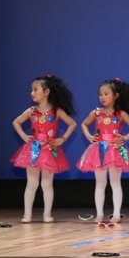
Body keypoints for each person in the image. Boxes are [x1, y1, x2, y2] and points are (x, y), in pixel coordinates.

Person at [11, 75, 77, 223]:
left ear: (46, 92)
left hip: (49, 150)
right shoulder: (31, 111)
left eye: (35, 89)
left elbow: (72, 124)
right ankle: (27, 215)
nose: (32, 93)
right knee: (32, 183)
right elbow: (16, 122)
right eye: (31, 90)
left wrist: (62, 139)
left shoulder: (56, 111)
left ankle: (47, 214)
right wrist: (23, 135)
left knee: (47, 184)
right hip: (33, 149)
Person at [76, 78, 129, 223]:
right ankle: (99, 214)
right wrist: (89, 136)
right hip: (99, 150)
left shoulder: (120, 114)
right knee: (100, 183)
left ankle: (116, 214)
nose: (102, 97)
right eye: (100, 94)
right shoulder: (96, 113)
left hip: (116, 150)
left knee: (115, 183)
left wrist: (125, 137)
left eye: (106, 94)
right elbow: (84, 124)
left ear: (116, 95)